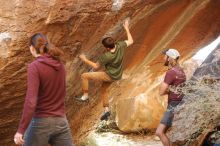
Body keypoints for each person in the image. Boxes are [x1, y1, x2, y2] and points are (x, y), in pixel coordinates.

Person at [14, 33, 74, 146]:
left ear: (32, 48)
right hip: (61, 120)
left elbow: (31, 101)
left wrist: (21, 130)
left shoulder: (35, 67)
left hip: (41, 122)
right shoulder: (60, 65)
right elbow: (62, 93)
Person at [77, 18, 134, 121]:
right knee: (104, 90)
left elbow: (95, 66)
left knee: (84, 76)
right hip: (117, 75)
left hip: (109, 75)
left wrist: (85, 59)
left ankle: (85, 96)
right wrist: (126, 28)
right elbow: (131, 41)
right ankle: (106, 110)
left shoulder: (106, 56)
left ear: (107, 48)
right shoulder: (120, 45)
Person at [155, 49, 186, 146]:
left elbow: (161, 92)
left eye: (165, 56)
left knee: (159, 132)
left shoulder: (171, 73)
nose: (164, 58)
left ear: (169, 58)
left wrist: (167, 90)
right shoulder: (181, 71)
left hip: (173, 105)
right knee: (167, 131)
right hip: (180, 103)